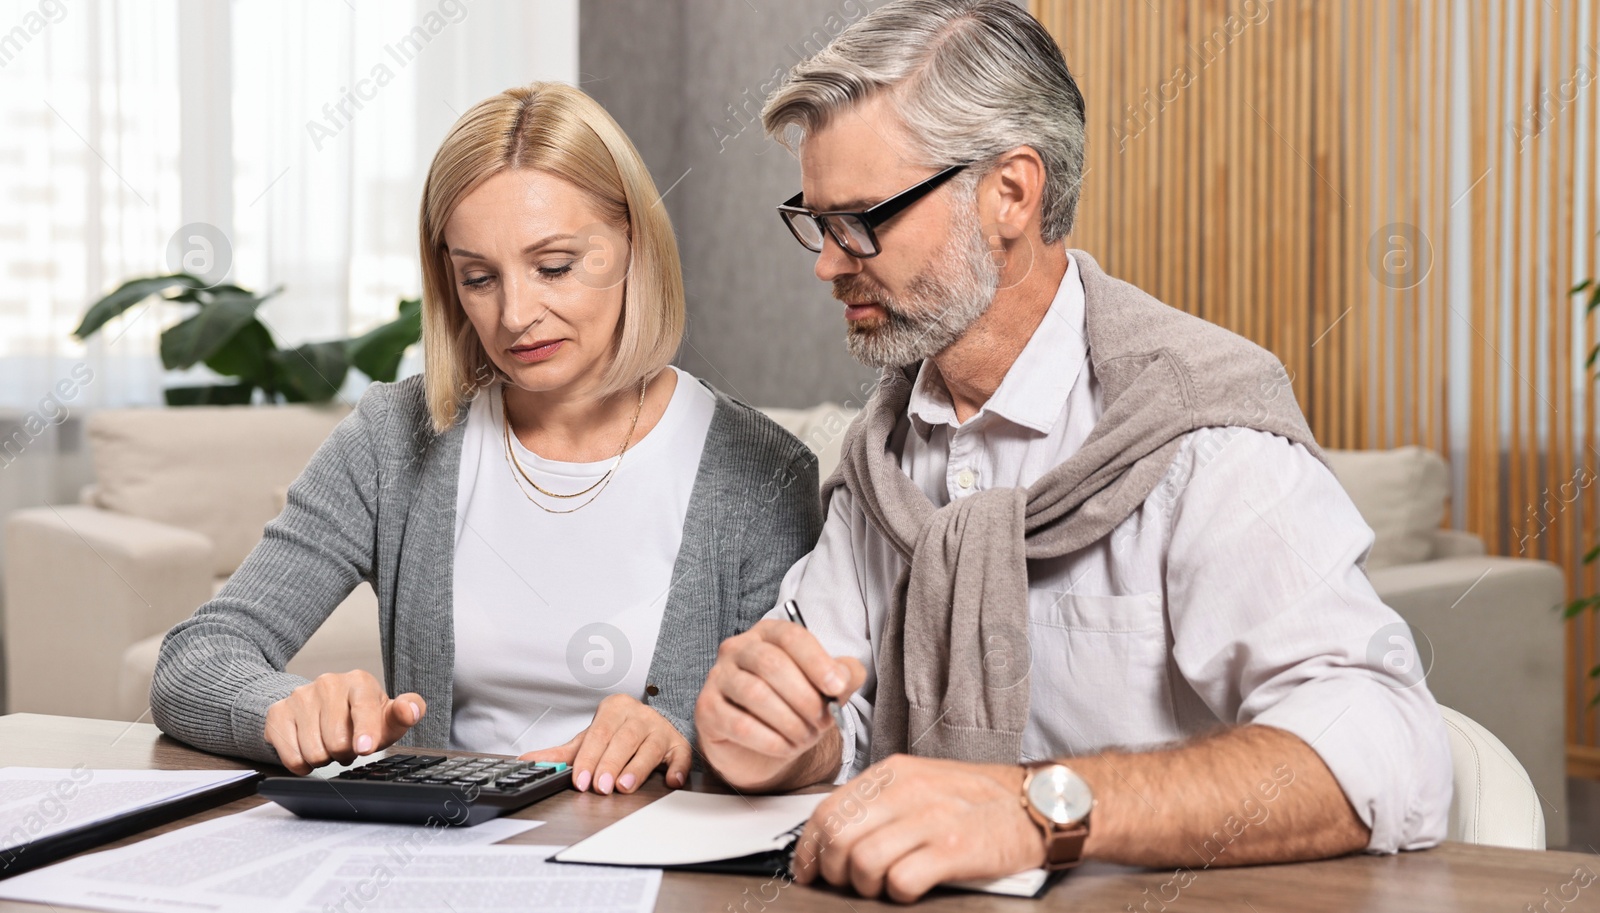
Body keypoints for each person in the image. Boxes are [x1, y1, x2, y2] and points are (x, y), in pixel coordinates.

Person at [694, 0, 1452, 901]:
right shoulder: (880, 463)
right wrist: (786, 736)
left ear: (1010, 192)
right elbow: (838, 722)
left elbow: (1385, 745)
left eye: (862, 218)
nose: (828, 261)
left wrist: (1033, 807)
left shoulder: (1198, 431)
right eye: (816, 221)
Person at [152, 82, 822, 798]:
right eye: (479, 277)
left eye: (555, 266)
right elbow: (194, 659)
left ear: (635, 242)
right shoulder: (395, 440)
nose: (515, 315)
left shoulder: (763, 472)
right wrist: (283, 708)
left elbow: (797, 739)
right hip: (436, 865)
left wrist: (681, 738)